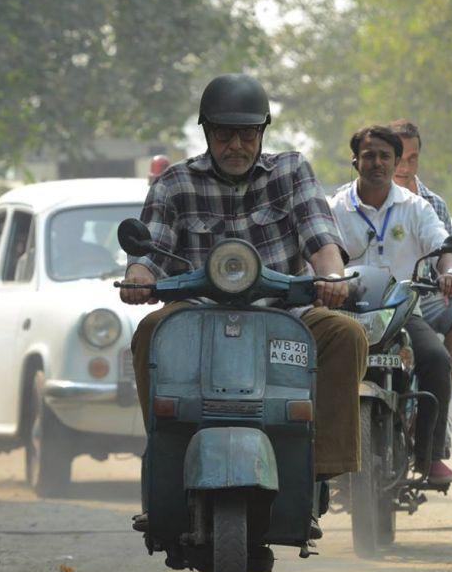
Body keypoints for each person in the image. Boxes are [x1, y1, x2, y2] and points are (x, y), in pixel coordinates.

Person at [120, 73, 368, 533]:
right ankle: (164, 455)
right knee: (150, 333)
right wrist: (138, 277)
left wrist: (332, 277)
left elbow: (320, 236)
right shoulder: (175, 183)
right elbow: (148, 251)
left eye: (247, 133)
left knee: (345, 334)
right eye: (224, 134)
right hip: (194, 319)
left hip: (282, 316)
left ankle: (316, 468)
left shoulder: (291, 171)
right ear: (206, 133)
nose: (236, 144)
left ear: (263, 133)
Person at [330, 125, 452, 485]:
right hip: (347, 313)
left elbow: (443, 247)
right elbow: (315, 250)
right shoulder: (333, 208)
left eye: (385, 156)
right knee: (311, 365)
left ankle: (430, 455)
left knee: (436, 359)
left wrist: (451, 272)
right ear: (355, 160)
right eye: (369, 155)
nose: (377, 162)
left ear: (396, 161)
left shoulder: (416, 208)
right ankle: (320, 457)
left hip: (403, 311)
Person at [389, 120, 452, 388]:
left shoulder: (434, 203)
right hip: (381, 296)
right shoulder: (370, 197)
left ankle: (440, 398)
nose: (404, 167)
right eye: (399, 159)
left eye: (412, 158)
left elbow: (446, 253)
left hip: (425, 297)